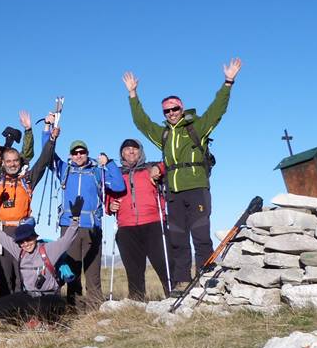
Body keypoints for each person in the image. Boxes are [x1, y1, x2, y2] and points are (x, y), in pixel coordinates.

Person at [123, 58, 242, 294]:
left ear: (182, 108)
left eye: (174, 109)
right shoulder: (164, 135)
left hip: (197, 187)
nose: (171, 114)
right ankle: (182, 280)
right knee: (177, 238)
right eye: (166, 111)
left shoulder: (197, 127)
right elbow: (142, 123)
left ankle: (208, 277)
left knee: (200, 233)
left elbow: (217, 110)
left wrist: (228, 82)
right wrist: (133, 95)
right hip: (173, 192)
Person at [0, 125, 60, 298]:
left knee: (22, 273)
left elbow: (42, 161)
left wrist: (52, 140)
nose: (12, 164)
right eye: (8, 161)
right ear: (3, 163)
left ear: (20, 161)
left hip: (23, 231)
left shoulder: (27, 179)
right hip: (2, 230)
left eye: (15, 161)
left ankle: (22, 310)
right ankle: (6, 313)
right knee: (4, 275)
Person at [0, 196, 84, 325]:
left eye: (28, 239)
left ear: (34, 237)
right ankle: (26, 323)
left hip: (50, 297)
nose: (25, 243)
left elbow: (67, 239)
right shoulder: (19, 251)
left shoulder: (49, 249)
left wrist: (75, 219)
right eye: (21, 241)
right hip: (29, 296)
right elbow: (0, 235)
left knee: (41, 307)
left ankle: (41, 322)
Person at [50, 134, 125, 311]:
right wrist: (48, 132)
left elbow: (119, 185)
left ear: (87, 153)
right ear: (70, 155)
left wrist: (110, 163)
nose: (78, 155)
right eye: (74, 153)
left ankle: (94, 309)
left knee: (92, 272)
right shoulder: (64, 170)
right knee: (71, 272)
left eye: (81, 152)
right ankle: (73, 308)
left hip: (92, 226)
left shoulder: (97, 171)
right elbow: (48, 155)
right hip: (69, 226)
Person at [107, 139, 169, 301]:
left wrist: (158, 167)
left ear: (140, 151)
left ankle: (172, 295)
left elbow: (168, 163)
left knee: (163, 263)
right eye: (127, 149)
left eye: (135, 149)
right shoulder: (116, 174)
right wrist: (110, 206)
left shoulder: (151, 168)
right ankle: (136, 301)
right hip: (126, 226)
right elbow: (108, 197)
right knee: (133, 268)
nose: (131, 152)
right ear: (122, 154)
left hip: (154, 223)